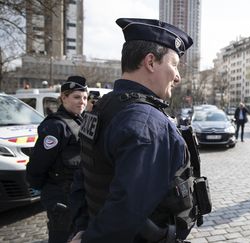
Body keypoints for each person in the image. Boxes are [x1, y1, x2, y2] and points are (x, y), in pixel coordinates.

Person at [73, 18, 210, 243]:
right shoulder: (147, 122)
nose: (178, 76)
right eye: (174, 64)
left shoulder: (103, 107)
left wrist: (80, 230)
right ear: (150, 62)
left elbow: (83, 177)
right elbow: (126, 212)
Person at [26, 75, 88, 243]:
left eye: (84, 97)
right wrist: (41, 187)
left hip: (77, 193)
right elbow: (39, 163)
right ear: (63, 98)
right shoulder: (55, 126)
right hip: (61, 195)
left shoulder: (81, 120)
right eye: (76, 97)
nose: (82, 101)